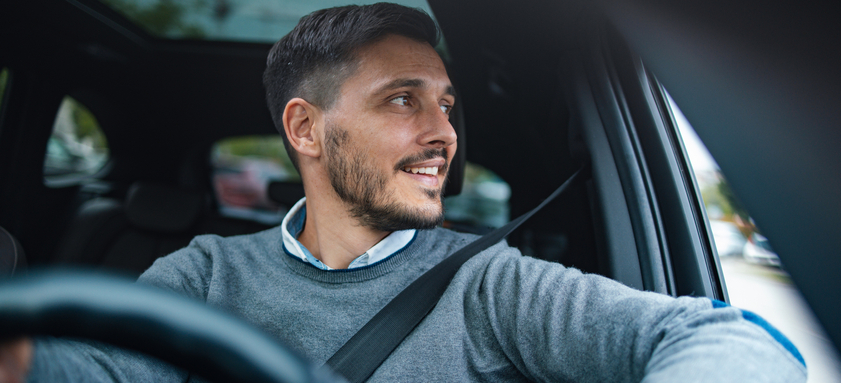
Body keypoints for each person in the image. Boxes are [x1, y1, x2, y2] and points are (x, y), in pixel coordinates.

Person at [1, 3, 807, 382]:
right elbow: (89, 372)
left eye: (447, 104)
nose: (444, 134)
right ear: (306, 129)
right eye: (401, 99)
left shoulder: (490, 283)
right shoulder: (204, 272)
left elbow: (733, 339)